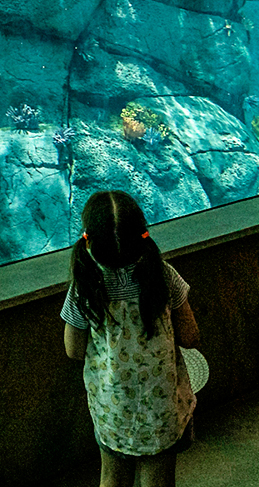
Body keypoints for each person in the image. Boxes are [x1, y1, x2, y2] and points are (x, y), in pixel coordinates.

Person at [63, 190, 200, 487]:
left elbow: (73, 350)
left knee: (111, 476)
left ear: (89, 240)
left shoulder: (85, 287)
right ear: (143, 235)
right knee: (158, 478)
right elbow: (190, 335)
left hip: (113, 408)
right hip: (162, 407)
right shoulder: (163, 275)